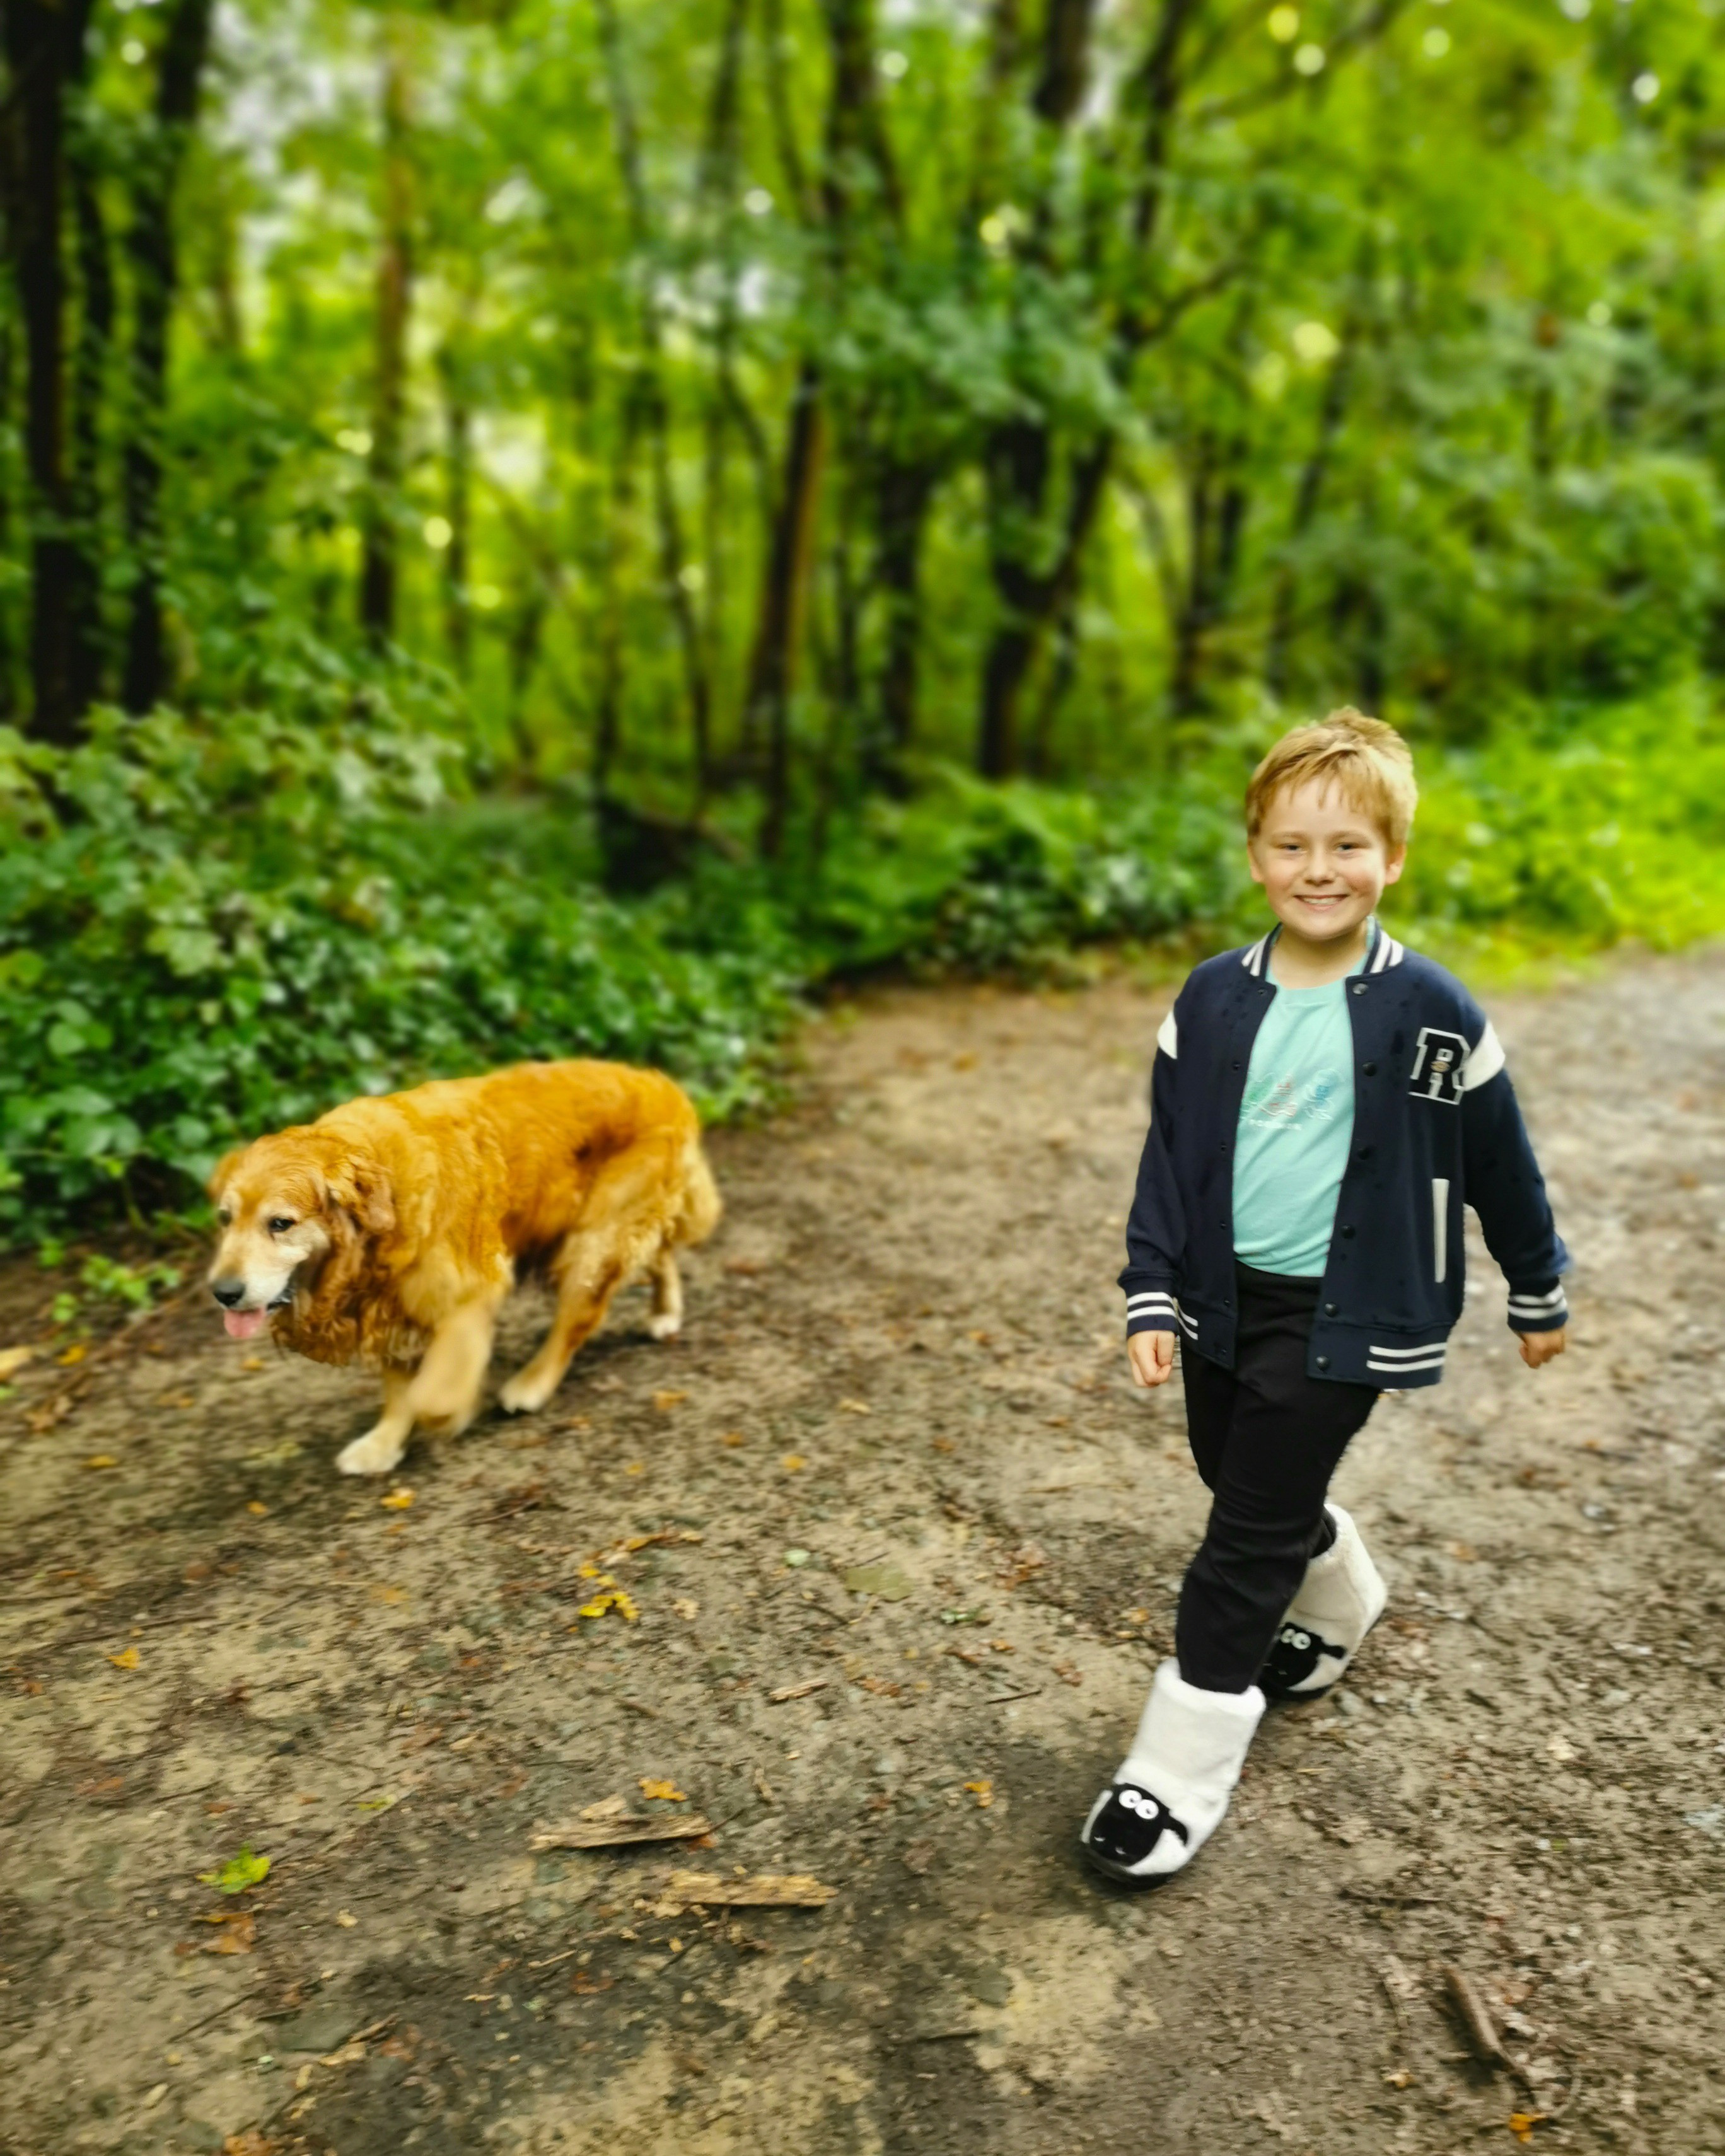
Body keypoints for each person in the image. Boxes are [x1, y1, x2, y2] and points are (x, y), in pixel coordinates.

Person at [1079, 710, 1569, 1884]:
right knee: (1233, 1469)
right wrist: (1151, 1288)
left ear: (1393, 858)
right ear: (1255, 856)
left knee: (1241, 1535)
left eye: (1348, 846)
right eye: (1293, 846)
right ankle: (1341, 1589)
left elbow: (1499, 1158)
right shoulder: (1208, 1001)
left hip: (1347, 1313)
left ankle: (1172, 1774)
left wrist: (1536, 1285)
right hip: (1218, 1298)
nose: (1319, 870)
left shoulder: (1433, 1012)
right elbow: (1171, 1157)